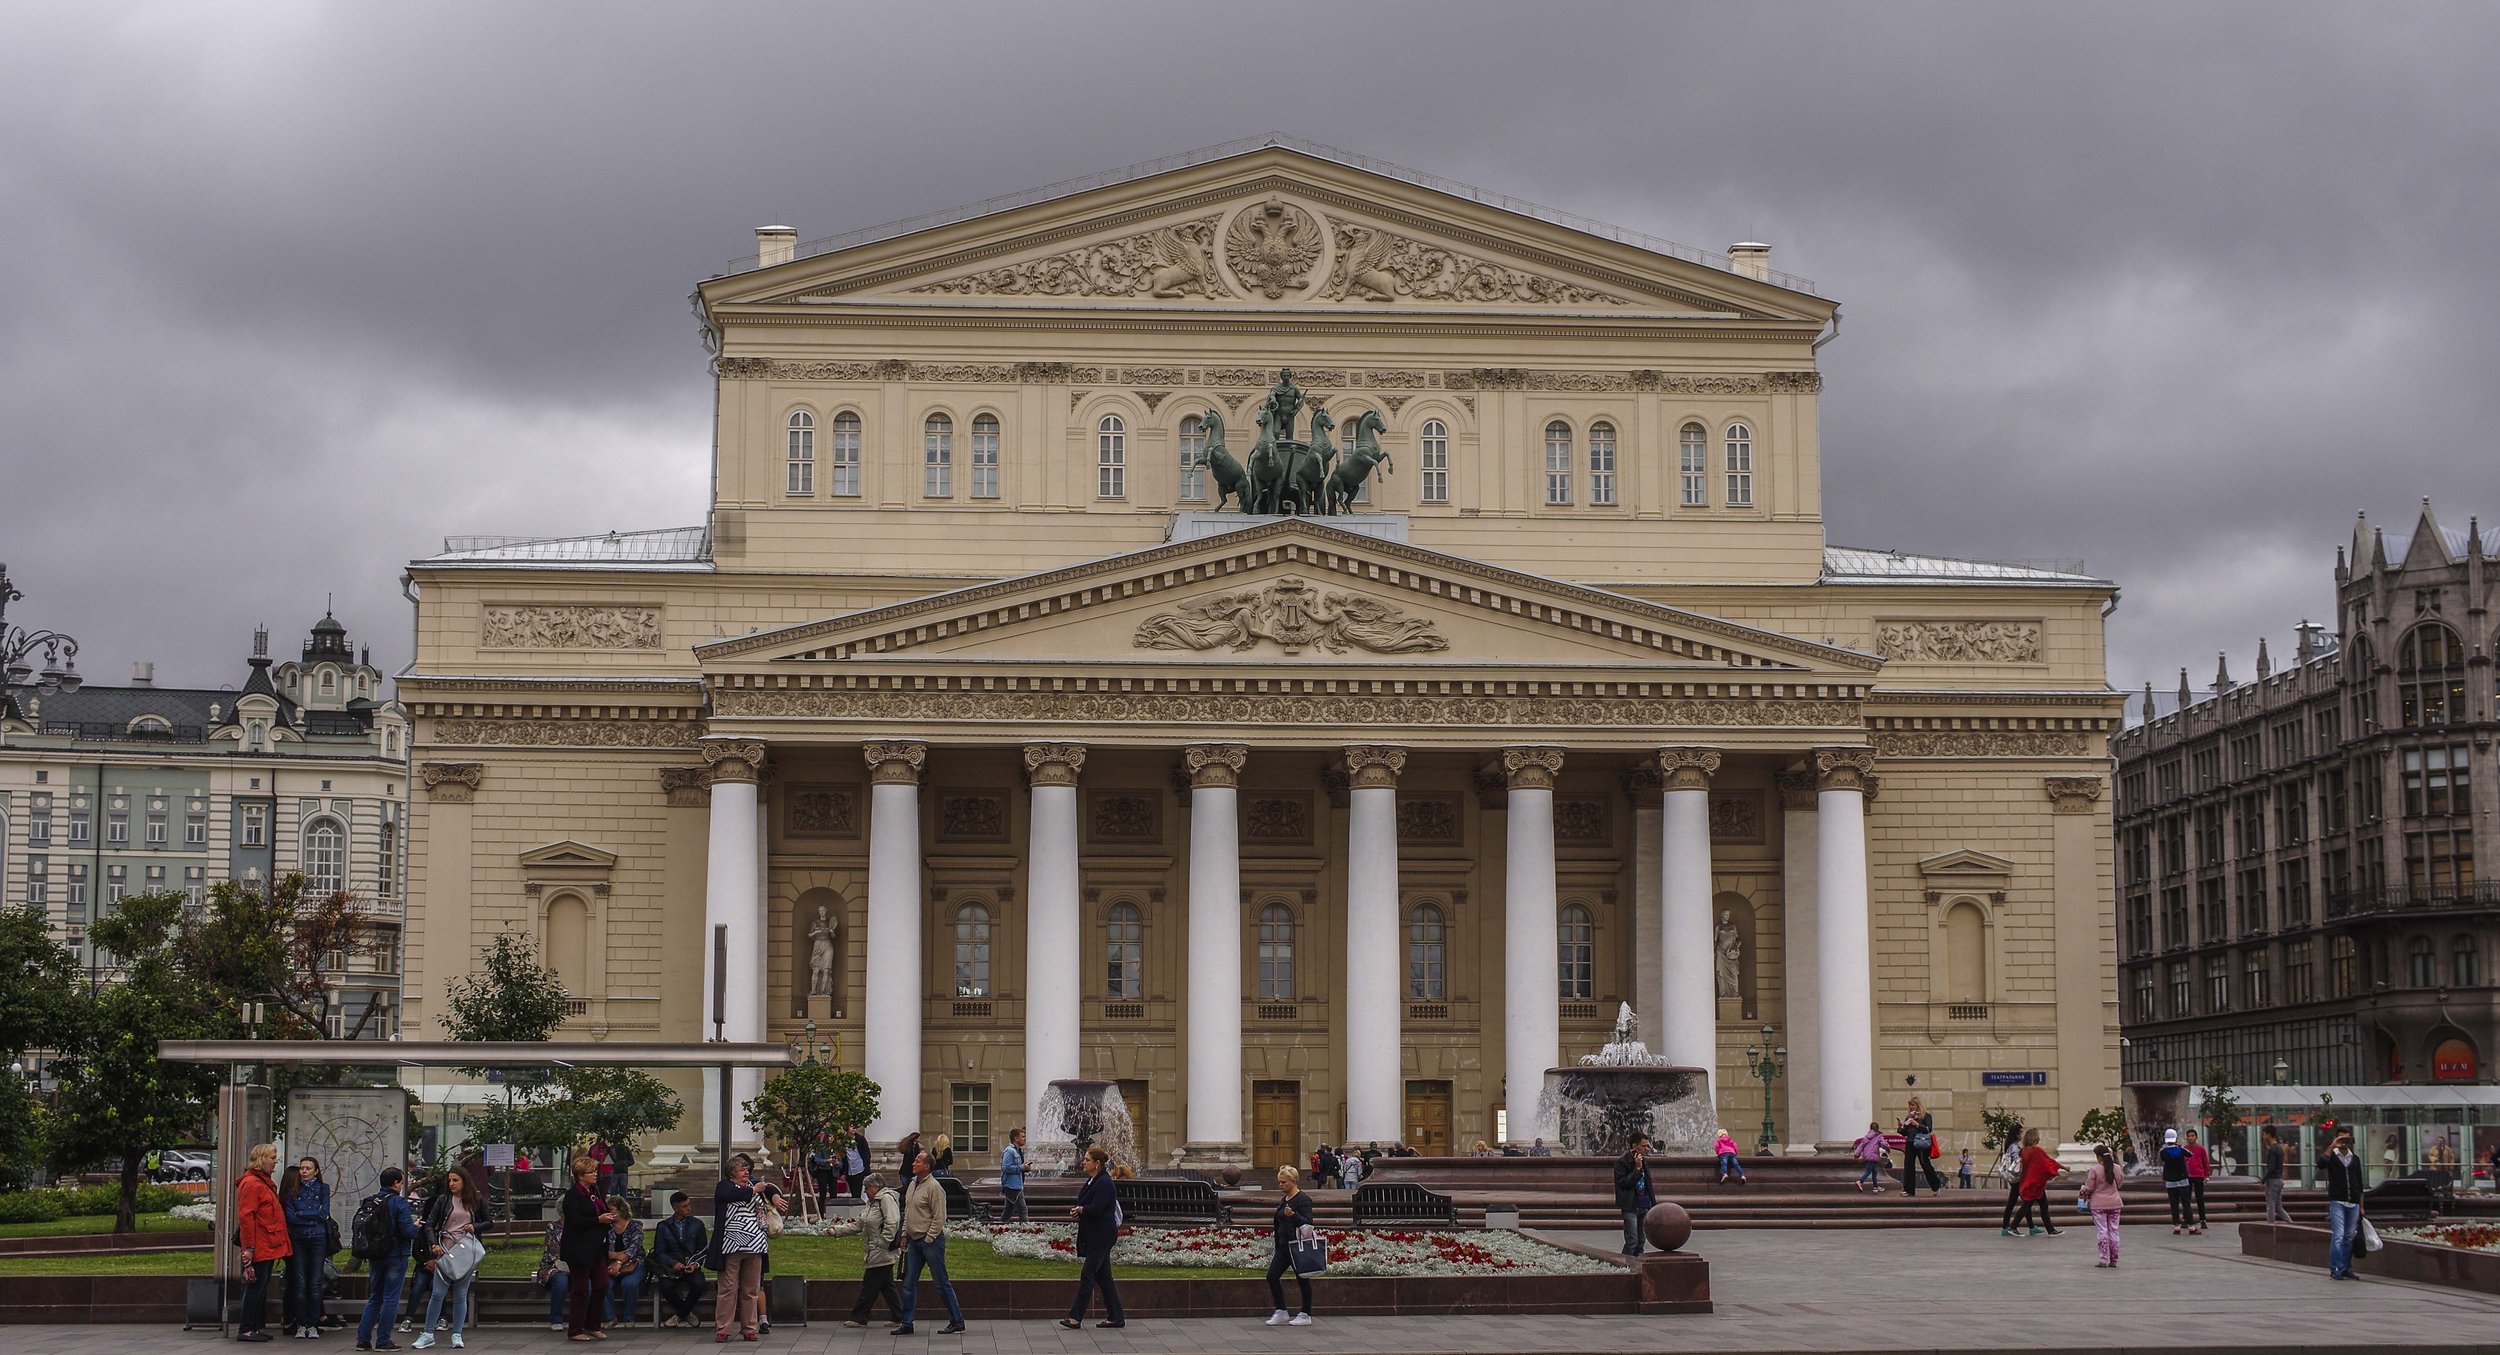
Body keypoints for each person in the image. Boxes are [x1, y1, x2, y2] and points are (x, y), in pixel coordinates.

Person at [711, 1152, 782, 1342]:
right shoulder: (725, 1186)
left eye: (746, 1170)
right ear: (731, 1173)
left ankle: (749, 1328)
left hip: (755, 1246)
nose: (745, 1173)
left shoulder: (754, 1186)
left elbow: (769, 1189)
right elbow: (730, 1195)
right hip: (732, 1246)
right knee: (728, 1289)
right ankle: (723, 1329)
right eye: (741, 1170)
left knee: (751, 1290)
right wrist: (753, 1191)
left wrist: (773, 1196)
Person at [410, 1168, 484, 1349]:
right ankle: (428, 1333)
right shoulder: (443, 1201)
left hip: (465, 1252)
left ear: (464, 1181)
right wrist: (434, 1244)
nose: (451, 1184)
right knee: (437, 1294)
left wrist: (475, 1226)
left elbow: (488, 1222)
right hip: (444, 1250)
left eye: (455, 1180)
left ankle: (457, 1334)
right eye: (450, 1180)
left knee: (460, 1294)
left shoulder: (475, 1201)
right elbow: (429, 1224)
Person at [895, 1149, 966, 1335]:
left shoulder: (934, 1187)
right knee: (909, 1283)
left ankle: (957, 1320)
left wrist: (928, 1238)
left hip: (930, 1242)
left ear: (926, 1167)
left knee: (941, 1283)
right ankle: (907, 1323)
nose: (913, 1163)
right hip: (913, 1241)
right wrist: (904, 1235)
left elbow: (939, 1217)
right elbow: (908, 1211)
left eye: (917, 1161)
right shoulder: (912, 1184)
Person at [1060, 1146, 1125, 1330]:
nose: (1084, 1162)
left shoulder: (1104, 1182)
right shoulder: (1093, 1180)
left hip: (1102, 1236)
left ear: (1097, 1164)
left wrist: (1082, 1210)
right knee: (1104, 1277)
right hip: (1096, 1234)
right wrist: (1079, 1210)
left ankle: (1075, 1317)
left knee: (1088, 1274)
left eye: (1087, 1160)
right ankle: (1116, 1316)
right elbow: (1087, 1203)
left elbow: (1097, 1208)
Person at [355, 1168, 418, 1352]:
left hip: (376, 1254)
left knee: (375, 1297)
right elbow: (407, 1231)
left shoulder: (372, 1201)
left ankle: (363, 1339)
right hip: (395, 1255)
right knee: (391, 1298)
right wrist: (416, 1227)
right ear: (396, 1183)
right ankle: (383, 1340)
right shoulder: (398, 1202)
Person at [236, 1143, 293, 1343]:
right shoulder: (252, 1183)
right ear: (261, 1159)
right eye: (271, 1157)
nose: (275, 1160)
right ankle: (246, 1328)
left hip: (267, 1243)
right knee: (255, 1287)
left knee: (261, 1287)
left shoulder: (262, 1182)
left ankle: (254, 1327)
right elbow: (246, 1217)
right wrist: (249, 1248)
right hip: (259, 1244)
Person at [559, 1154, 617, 1342]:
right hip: (579, 1249)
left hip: (596, 1248)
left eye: (595, 1171)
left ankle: (592, 1325)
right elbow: (575, 1222)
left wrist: (607, 1218)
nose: (595, 1175)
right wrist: (598, 1220)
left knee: (602, 1285)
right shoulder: (573, 1196)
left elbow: (600, 1210)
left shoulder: (595, 1190)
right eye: (590, 1172)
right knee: (581, 1289)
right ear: (580, 1175)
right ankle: (575, 1329)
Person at [843, 1175, 903, 1329]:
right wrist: (836, 1231)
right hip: (876, 1251)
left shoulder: (885, 1200)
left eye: (867, 1187)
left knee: (869, 1286)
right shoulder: (872, 1204)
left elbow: (893, 1222)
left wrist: (882, 1243)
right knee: (886, 1286)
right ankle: (899, 1316)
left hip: (880, 1252)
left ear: (876, 1187)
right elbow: (859, 1225)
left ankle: (859, 1317)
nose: (865, 1191)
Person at [281, 1159, 333, 1338]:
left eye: (308, 1168)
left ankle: (312, 1323)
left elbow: (323, 1213)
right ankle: (302, 1323)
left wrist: (301, 1213)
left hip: (318, 1237)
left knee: (315, 1282)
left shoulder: (323, 1188)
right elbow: (290, 1216)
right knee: (301, 1282)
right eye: (302, 1168)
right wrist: (309, 1216)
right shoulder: (293, 1191)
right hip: (299, 1238)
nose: (303, 1171)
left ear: (316, 1171)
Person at [1263, 1165, 1316, 1327]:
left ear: (1293, 1182)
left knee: (1303, 1279)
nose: (1280, 1185)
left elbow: (1308, 1223)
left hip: (1297, 1246)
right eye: (1279, 1182)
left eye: (1284, 1182)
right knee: (1271, 1276)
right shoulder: (1284, 1199)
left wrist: (1293, 1215)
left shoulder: (1303, 1199)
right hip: (1284, 1247)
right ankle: (1281, 1311)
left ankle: (1306, 1314)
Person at [652, 1192, 709, 1329]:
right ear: (675, 1208)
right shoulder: (664, 1226)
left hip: (691, 1265)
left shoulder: (697, 1224)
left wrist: (695, 1264)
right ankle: (686, 1313)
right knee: (665, 1286)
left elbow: (703, 1250)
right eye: (684, 1206)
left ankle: (679, 1315)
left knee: (699, 1284)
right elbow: (659, 1251)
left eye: (689, 1204)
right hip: (671, 1267)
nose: (689, 1208)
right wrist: (673, 1263)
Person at [2322, 1131, 2365, 1280]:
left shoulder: (2355, 1158)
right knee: (2338, 1236)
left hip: (2353, 1202)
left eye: (2347, 1138)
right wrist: (2332, 1146)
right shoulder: (2333, 1157)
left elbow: (2359, 1183)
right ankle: (2335, 1268)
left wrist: (2361, 1205)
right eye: (2341, 1138)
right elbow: (2320, 1164)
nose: (2344, 1142)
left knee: (2348, 1236)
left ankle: (2346, 1267)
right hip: (2337, 1201)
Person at [2007, 1128, 2066, 1237]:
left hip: (2028, 1182)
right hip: (2035, 1184)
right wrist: (2062, 1168)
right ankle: (2013, 1227)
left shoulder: (2024, 1151)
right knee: (2028, 1205)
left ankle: (2051, 1229)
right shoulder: (2036, 1151)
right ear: (2035, 1138)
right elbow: (2047, 1162)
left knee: (2042, 1205)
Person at [2079, 1142, 2125, 1267]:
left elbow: (2089, 1187)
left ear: (2098, 1157)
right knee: (2114, 1231)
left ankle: (2103, 1259)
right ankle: (2114, 1260)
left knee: (2102, 1231)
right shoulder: (2117, 1168)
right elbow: (2120, 1184)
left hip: (2098, 1205)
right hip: (2115, 1203)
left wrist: (2083, 1190)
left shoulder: (2094, 1170)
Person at [604, 1201, 647, 1328]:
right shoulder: (606, 1227)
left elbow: (635, 1246)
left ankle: (629, 1318)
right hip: (610, 1264)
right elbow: (600, 1248)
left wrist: (620, 1261)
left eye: (611, 1209)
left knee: (629, 1283)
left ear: (621, 1210)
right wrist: (613, 1256)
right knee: (603, 1283)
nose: (608, 1213)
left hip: (635, 1262)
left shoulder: (635, 1225)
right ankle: (610, 1317)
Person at [1613, 1134, 1656, 1255]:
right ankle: (1624, 1266)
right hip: (1631, 1206)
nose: (1647, 1149)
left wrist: (1653, 1203)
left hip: (1644, 1205)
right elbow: (1623, 1183)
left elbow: (1648, 1184)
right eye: (1644, 1146)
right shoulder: (1622, 1162)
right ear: (1634, 1146)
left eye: (1647, 1146)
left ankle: (1638, 1267)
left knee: (1641, 1241)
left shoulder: (1643, 1160)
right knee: (1632, 1241)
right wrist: (1637, 1169)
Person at [1899, 1097, 1943, 1196]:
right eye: (1909, 1105)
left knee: (1925, 1164)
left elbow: (1928, 1129)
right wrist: (1901, 1128)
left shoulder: (1926, 1116)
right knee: (1909, 1166)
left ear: (1918, 1105)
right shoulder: (1908, 1118)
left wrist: (1917, 1125)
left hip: (1921, 1143)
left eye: (1912, 1105)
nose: (1910, 1107)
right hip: (1910, 1142)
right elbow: (1905, 1133)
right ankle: (1909, 1190)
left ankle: (1935, 1185)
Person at [534, 1218, 570, 1331]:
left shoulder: (580, 1224)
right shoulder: (553, 1227)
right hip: (553, 1265)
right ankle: (556, 1320)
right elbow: (553, 1251)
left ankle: (584, 1320)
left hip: (576, 1265)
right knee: (561, 1282)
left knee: (587, 1283)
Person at [2158, 1128, 2193, 1234]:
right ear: (2175, 1138)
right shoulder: (2181, 1150)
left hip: (2170, 1182)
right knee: (2186, 1204)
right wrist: (2179, 1146)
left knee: (2174, 1205)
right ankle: (2191, 1226)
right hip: (2182, 1180)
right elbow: (2190, 1154)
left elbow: (2162, 1158)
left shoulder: (2163, 1152)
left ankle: (2176, 1226)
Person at [2183, 1129, 2212, 1235]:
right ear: (2186, 1137)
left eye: (2192, 1136)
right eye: (2189, 1136)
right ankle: (2186, 1220)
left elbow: (2205, 1162)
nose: (2191, 1138)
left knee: (2200, 1198)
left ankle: (2203, 1220)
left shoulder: (2200, 1149)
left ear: (2196, 1137)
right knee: (2187, 1198)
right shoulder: (2184, 1149)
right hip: (2187, 1176)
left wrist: (2206, 1175)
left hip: (2198, 1175)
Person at [2261, 1126, 2292, 1224]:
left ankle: (2270, 1226)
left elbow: (2271, 1168)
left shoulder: (2272, 1149)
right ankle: (2290, 1223)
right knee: (2278, 1206)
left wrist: (2263, 1180)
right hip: (2279, 1179)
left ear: (2269, 1135)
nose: (2263, 1137)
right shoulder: (2279, 1148)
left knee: (2271, 1205)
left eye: (2264, 1134)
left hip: (2273, 1180)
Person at [999, 1128, 1029, 1223]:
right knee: (1022, 1209)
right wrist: (1021, 1168)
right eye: (1022, 1137)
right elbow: (1006, 1167)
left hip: (1016, 1184)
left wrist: (1024, 1168)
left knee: (1008, 1211)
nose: (1024, 1139)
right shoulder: (1010, 1151)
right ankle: (1028, 1231)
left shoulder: (1017, 1150)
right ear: (1016, 1138)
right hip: (1012, 1185)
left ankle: (999, 1227)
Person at [1852, 1122, 1889, 1194]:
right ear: (1877, 1128)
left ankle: (1875, 1186)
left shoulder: (1866, 1136)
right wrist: (1888, 1148)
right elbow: (1883, 1143)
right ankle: (1860, 1181)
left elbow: (1861, 1146)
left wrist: (1856, 1154)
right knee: (1868, 1171)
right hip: (1873, 1156)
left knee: (1874, 1172)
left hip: (1867, 1155)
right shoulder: (1879, 1135)